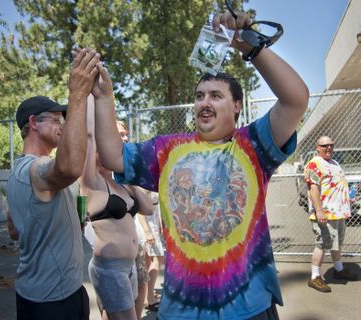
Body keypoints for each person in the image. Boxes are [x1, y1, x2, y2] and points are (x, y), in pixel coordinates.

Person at [93, 9, 309, 320]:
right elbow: (113, 157)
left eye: (216, 96)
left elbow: (295, 100)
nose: (204, 102)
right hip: (181, 309)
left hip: (248, 306)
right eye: (199, 96)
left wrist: (248, 45)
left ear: (236, 106)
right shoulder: (167, 149)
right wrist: (104, 99)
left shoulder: (252, 145)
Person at [6, 48, 100, 320]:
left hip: (42, 293)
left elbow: (14, 229)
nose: (62, 125)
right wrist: (78, 93)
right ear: (33, 123)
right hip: (53, 302)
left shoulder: (15, 173)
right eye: (57, 119)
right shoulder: (33, 168)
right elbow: (69, 168)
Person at [80, 95, 153, 320]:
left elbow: (148, 209)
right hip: (109, 269)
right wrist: (93, 95)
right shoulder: (91, 181)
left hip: (128, 265)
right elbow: (91, 135)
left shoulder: (119, 183)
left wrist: (128, 178)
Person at [304, 136, 358, 292]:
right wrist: (319, 210)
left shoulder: (334, 163)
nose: (328, 148)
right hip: (324, 214)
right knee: (322, 244)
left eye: (331, 145)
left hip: (338, 213)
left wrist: (348, 199)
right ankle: (314, 277)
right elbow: (313, 190)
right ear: (318, 147)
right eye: (325, 145)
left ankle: (339, 270)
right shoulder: (314, 164)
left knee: (337, 243)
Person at [116, 120, 153, 318]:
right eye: (120, 134)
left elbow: (146, 207)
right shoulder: (99, 169)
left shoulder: (128, 168)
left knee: (141, 282)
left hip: (135, 239)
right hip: (111, 251)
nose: (125, 138)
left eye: (125, 134)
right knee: (115, 302)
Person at [142, 192, 164, 311]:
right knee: (158, 258)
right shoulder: (143, 180)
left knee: (148, 260)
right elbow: (140, 208)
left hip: (154, 218)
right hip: (148, 222)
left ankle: (147, 293)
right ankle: (149, 297)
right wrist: (147, 231)